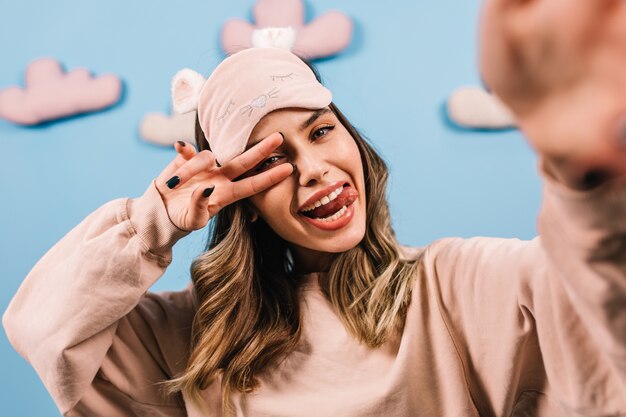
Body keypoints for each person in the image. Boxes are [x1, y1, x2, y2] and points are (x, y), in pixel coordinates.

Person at [3, 0, 626, 416]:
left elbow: (593, 296)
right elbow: (40, 328)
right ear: (237, 196)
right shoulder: (188, 340)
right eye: (269, 159)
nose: (313, 169)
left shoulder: (452, 287)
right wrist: (153, 222)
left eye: (321, 131)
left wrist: (581, 163)